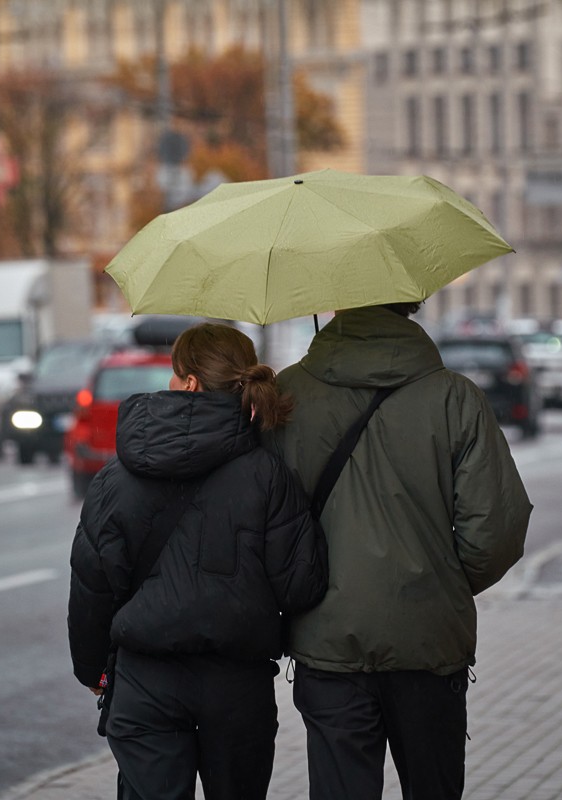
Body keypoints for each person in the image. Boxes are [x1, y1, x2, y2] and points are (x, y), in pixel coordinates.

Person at [267, 302, 532, 800]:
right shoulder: (455, 397)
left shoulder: (288, 396)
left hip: (328, 644)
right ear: (409, 301)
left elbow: (263, 525)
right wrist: (441, 583)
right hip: (428, 643)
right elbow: (497, 528)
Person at [68, 322, 328, 800]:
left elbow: (92, 584)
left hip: (144, 682)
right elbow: (300, 588)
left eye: (174, 372)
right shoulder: (268, 475)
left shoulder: (116, 478)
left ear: (188, 383)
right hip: (237, 685)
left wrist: (92, 670)